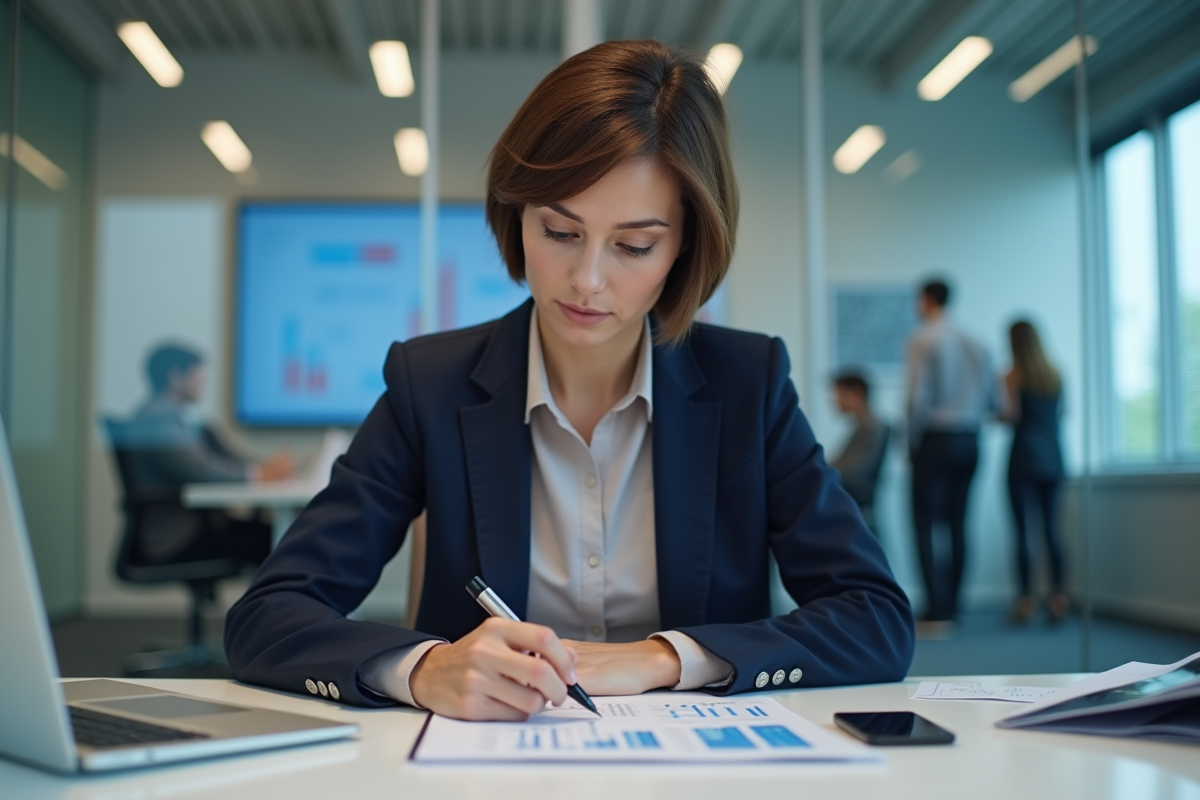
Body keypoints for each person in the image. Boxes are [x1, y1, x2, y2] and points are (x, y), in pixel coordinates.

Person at [225, 40, 914, 721]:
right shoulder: (431, 382)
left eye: (635, 246)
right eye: (559, 231)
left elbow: (875, 618)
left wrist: (661, 658)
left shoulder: (748, 382)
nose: (587, 281)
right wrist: (427, 668)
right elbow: (267, 616)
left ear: (685, 248)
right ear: (517, 213)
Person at [121, 343, 293, 564]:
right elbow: (201, 470)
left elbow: (214, 460)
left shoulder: (174, 417)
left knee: (275, 536)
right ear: (176, 377)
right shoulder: (158, 419)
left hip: (194, 527)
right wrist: (258, 475)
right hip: (177, 537)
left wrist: (262, 469)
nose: (203, 380)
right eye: (197, 374)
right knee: (283, 542)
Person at [905, 279, 998, 638]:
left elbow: (918, 398)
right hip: (970, 439)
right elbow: (993, 402)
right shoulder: (978, 341)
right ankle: (955, 605)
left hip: (935, 438)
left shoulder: (922, 338)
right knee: (960, 522)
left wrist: (910, 444)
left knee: (925, 522)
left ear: (927, 299)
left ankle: (936, 608)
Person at [1002, 321, 1067, 624]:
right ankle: (1057, 598)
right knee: (1051, 530)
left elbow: (1010, 415)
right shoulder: (1055, 375)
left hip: (1023, 459)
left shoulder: (1012, 376)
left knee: (1022, 532)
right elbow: (1063, 414)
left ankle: (1026, 601)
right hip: (1053, 457)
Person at [829, 371, 889, 531]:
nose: (835, 400)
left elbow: (854, 470)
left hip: (853, 494)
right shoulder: (866, 425)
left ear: (856, 393)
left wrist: (821, 470)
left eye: (839, 393)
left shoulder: (870, 427)